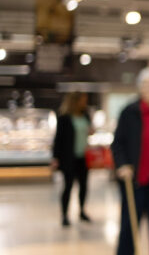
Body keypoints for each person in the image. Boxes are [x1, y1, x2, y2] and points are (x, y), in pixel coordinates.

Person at [111, 68, 149, 255]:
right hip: (135, 179)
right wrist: (122, 165)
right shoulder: (129, 112)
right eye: (142, 85)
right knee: (129, 228)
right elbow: (117, 143)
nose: (144, 89)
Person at [51, 91, 93, 226]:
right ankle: (64, 215)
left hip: (83, 157)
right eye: (82, 99)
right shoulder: (64, 117)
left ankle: (82, 211)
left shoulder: (85, 115)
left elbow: (89, 131)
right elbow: (58, 139)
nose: (85, 102)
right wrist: (55, 157)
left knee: (84, 186)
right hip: (68, 157)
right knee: (68, 186)